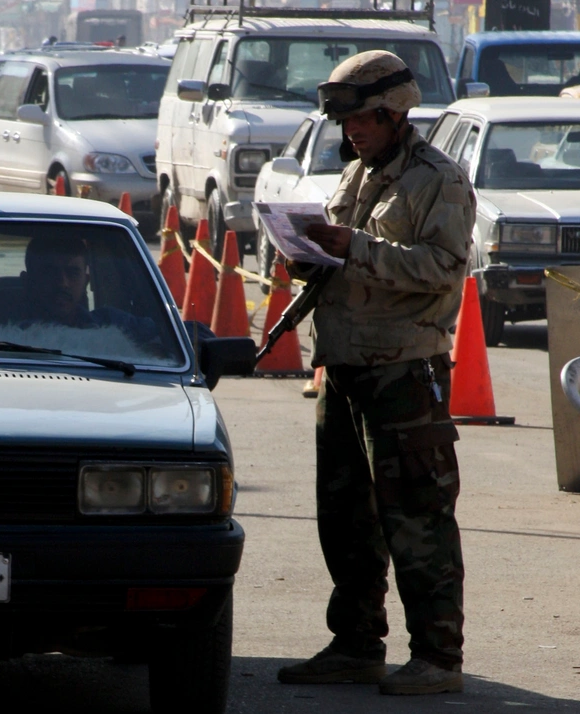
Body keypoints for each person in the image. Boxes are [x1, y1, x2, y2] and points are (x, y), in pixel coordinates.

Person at [276, 50, 475, 696]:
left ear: (394, 114)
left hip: (403, 371)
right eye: (347, 121)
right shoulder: (358, 175)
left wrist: (354, 249)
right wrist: (309, 256)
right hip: (346, 367)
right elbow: (345, 250)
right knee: (346, 518)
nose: (351, 131)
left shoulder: (435, 180)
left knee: (418, 517)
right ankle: (357, 643)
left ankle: (438, 658)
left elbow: (444, 268)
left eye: (362, 119)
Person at [18, 236, 156, 341]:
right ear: (28, 281)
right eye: (50, 273)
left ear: (86, 281)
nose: (63, 283)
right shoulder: (10, 336)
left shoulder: (113, 323)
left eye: (72, 273)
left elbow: (164, 336)